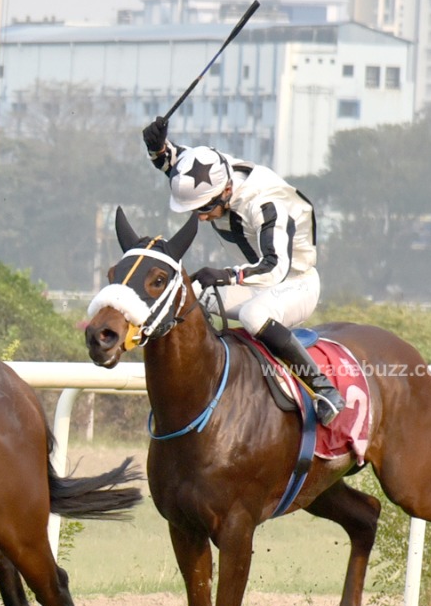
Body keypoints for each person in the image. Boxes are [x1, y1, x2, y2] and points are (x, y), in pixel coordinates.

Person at [142, 116, 344, 423]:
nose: (202, 217)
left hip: (295, 282)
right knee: (188, 295)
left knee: (254, 315)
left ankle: (324, 389)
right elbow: (175, 162)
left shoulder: (266, 205)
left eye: (205, 208)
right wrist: (156, 147)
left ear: (226, 191)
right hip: (254, 281)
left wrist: (225, 275)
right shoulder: (209, 171)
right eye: (195, 210)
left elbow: (274, 267)